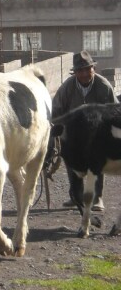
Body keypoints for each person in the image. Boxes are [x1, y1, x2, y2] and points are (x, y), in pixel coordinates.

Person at [52, 50, 118, 211]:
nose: (85, 73)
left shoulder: (103, 86)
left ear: (93, 69)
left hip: (98, 133)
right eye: (80, 70)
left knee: (97, 162)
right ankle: (76, 196)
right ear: (75, 73)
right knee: (72, 162)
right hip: (73, 132)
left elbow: (115, 109)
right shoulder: (67, 87)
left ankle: (97, 198)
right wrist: (57, 130)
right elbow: (57, 109)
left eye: (88, 69)